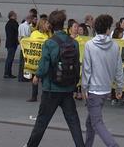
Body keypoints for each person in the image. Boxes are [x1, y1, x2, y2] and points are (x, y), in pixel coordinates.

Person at [26, 9, 84, 147]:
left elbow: (44, 65)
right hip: (68, 88)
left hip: (51, 89)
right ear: (64, 24)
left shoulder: (50, 43)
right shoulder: (73, 42)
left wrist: (37, 76)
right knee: (73, 121)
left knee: (42, 121)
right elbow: (76, 64)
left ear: (51, 25)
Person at [82, 14, 124, 147]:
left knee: (96, 122)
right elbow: (119, 69)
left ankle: (113, 145)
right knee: (91, 122)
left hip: (93, 89)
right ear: (107, 29)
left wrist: (84, 88)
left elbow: (86, 69)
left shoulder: (89, 45)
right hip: (106, 89)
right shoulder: (115, 46)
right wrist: (119, 87)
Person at [18, 10, 38, 81]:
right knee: (26, 63)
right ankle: (24, 77)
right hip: (26, 47)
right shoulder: (28, 27)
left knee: (21, 63)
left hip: (21, 46)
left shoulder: (20, 25)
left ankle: (20, 77)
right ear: (29, 19)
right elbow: (29, 37)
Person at [5, 12, 20, 79]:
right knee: (10, 59)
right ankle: (7, 73)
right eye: (15, 15)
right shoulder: (14, 23)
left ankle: (7, 73)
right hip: (13, 43)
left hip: (8, 42)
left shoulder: (7, 23)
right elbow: (18, 31)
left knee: (9, 58)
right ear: (12, 16)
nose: (16, 16)